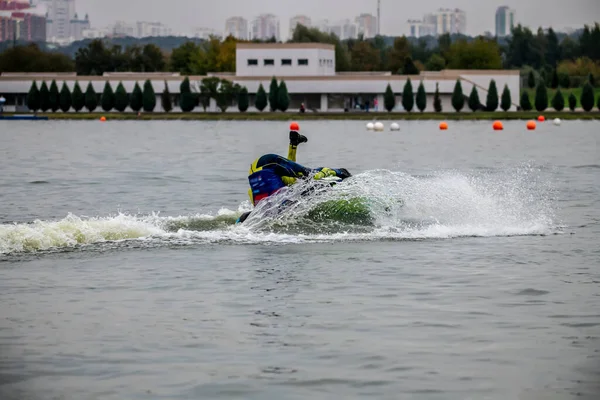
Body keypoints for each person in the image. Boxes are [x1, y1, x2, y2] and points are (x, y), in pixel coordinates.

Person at [236, 122, 351, 223]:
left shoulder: (268, 209)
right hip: (257, 171)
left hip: (267, 166)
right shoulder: (264, 209)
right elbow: (243, 216)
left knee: (308, 175)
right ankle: (293, 143)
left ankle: (340, 172)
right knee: (299, 178)